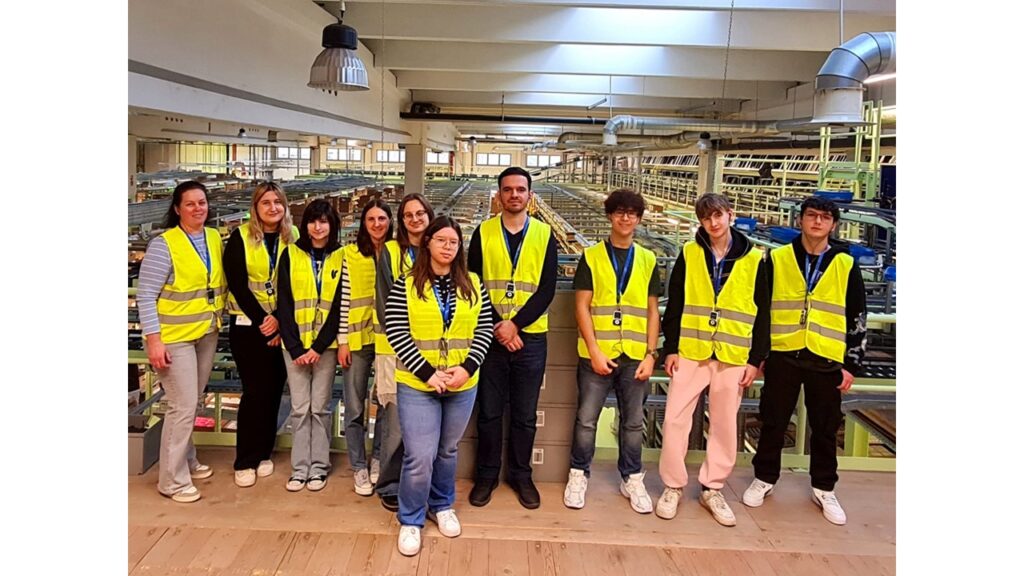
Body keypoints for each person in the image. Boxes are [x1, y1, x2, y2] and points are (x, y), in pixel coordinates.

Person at [742, 195, 867, 526]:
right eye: (812, 215)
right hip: (784, 353)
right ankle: (764, 478)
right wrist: (760, 353)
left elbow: (857, 314)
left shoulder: (845, 264)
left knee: (825, 426)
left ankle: (824, 488)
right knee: (773, 420)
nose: (817, 222)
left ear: (833, 225)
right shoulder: (777, 258)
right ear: (801, 220)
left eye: (824, 217)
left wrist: (852, 363)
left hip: (826, 357)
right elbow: (761, 309)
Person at [655, 193, 770, 526]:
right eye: (706, 218)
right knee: (675, 419)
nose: (713, 222)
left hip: (733, 355)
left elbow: (764, 312)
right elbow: (675, 302)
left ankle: (713, 488)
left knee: (723, 424)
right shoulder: (689, 253)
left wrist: (756, 359)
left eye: (718, 215)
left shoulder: (754, 259)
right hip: (691, 350)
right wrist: (670, 347)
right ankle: (673, 486)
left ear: (730, 215)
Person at [383, 216, 494, 556]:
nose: (448, 247)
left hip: (462, 383)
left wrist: (467, 368)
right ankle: (411, 518)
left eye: (454, 242)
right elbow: (396, 330)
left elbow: (484, 329)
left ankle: (442, 505)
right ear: (427, 242)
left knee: (447, 450)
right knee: (419, 455)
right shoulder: (406, 284)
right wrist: (427, 373)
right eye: (442, 240)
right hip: (417, 384)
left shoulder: (473, 283)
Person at [563, 189, 661, 514]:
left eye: (632, 213)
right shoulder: (591, 257)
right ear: (609, 215)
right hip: (597, 354)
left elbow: (652, 311)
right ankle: (578, 474)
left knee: (633, 423)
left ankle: (632, 477)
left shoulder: (647, 259)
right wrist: (593, 350)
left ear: (639, 219)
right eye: (619, 212)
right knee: (586, 420)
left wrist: (651, 354)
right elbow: (582, 306)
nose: (625, 218)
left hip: (635, 356)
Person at [467, 167, 558, 509]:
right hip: (490, 337)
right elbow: (473, 283)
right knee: (489, 412)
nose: (514, 195)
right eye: (508, 190)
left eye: (521, 189)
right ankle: (486, 475)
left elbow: (547, 289)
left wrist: (515, 325)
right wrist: (499, 326)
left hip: (530, 338)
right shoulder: (483, 232)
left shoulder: (545, 234)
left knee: (524, 414)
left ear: (530, 196)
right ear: (499, 195)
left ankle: (521, 476)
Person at [137, 181, 227, 503]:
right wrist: (154, 340)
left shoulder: (213, 237)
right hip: (174, 338)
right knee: (182, 406)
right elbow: (146, 295)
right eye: (190, 204)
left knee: (193, 401)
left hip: (206, 331)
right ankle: (172, 481)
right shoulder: (164, 244)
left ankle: (187, 459)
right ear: (177, 209)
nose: (197, 208)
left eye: (202, 202)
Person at [224, 182, 297, 488]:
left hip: (282, 326)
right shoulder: (240, 237)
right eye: (266, 202)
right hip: (248, 326)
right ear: (255, 207)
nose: (272, 208)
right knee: (254, 392)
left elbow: (298, 281)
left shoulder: (292, 237)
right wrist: (263, 320)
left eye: (277, 202)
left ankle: (265, 451)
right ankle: (245, 459)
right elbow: (237, 283)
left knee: (274, 391)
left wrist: (279, 319)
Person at [277, 199, 344, 492]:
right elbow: (284, 303)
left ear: (332, 225)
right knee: (299, 408)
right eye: (313, 221)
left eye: (324, 221)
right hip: (293, 348)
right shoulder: (291, 254)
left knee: (320, 408)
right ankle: (299, 468)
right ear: (305, 225)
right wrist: (295, 348)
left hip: (325, 348)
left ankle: (318, 467)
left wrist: (318, 346)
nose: (318, 227)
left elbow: (340, 306)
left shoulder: (342, 257)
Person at [374, 193, 435, 511]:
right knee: (396, 419)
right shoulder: (389, 251)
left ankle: (422, 484)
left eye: (420, 213)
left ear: (429, 215)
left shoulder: (439, 247)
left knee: (427, 420)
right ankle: (390, 483)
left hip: (434, 349)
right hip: (396, 347)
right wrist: (407, 338)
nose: (415, 219)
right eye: (408, 215)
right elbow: (384, 302)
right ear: (401, 220)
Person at [338, 199, 393, 496]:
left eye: (382, 219)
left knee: (385, 402)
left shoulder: (396, 252)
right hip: (357, 340)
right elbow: (344, 299)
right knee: (355, 406)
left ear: (390, 222)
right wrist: (343, 341)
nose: (376, 224)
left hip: (387, 341)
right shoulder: (350, 254)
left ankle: (379, 459)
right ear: (363, 224)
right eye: (371, 219)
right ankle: (359, 466)